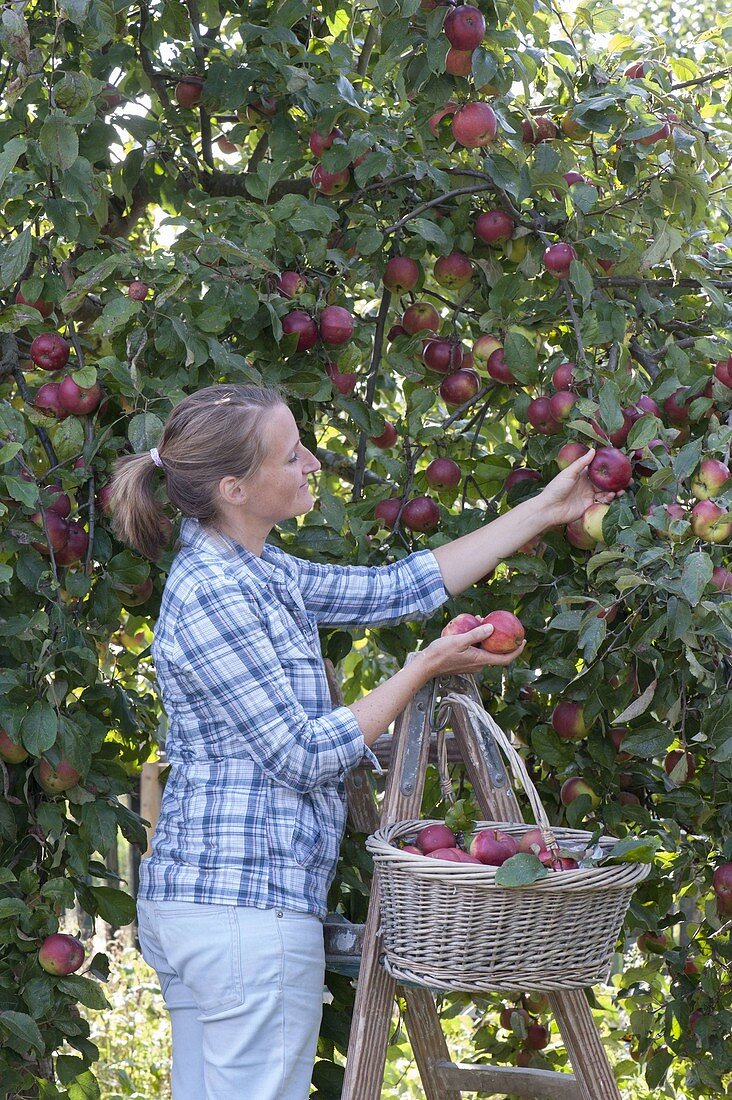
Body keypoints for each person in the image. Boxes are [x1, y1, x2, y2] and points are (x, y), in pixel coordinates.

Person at [108, 383, 614, 1100]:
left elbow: (393, 590)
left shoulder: (257, 573)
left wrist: (548, 509)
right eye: (291, 454)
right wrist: (421, 669)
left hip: (216, 906)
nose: (311, 462)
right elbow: (303, 754)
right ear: (235, 487)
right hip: (241, 913)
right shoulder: (215, 591)